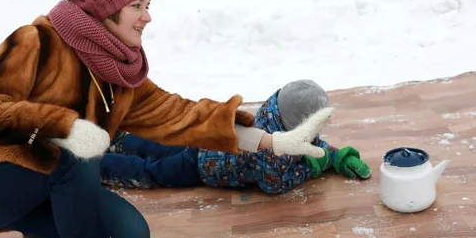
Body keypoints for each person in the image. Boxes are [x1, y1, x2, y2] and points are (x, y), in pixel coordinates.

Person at [0, 0, 333, 238]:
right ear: (105, 10)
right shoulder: (37, 41)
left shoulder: (118, 74)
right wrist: (64, 127)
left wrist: (271, 142)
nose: (148, 18)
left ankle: (34, 222)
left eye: (149, 6)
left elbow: (182, 116)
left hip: (41, 178)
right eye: (138, 6)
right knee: (74, 146)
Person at [98, 80, 372, 194]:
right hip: (200, 168)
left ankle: (120, 140)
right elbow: (272, 184)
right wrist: (312, 169)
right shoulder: (268, 147)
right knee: (154, 170)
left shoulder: (274, 114)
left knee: (159, 144)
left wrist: (333, 156)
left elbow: (309, 145)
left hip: (203, 141)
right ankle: (99, 166)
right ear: (296, 125)